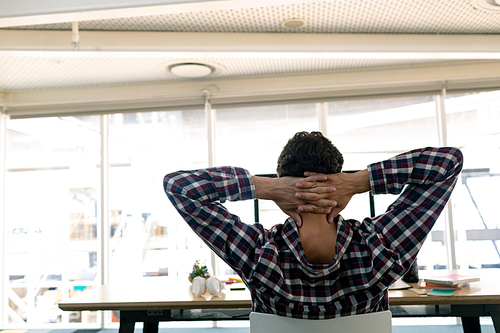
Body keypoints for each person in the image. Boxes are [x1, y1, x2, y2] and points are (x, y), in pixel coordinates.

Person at [163, 131, 463, 319]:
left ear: (284, 186)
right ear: (339, 180)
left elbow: (179, 186)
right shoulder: (382, 247)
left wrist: (265, 188)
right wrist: (360, 181)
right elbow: (448, 162)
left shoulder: (257, 253)